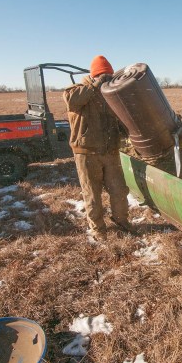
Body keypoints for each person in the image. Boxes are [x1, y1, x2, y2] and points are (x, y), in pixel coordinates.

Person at [63, 55, 134, 238]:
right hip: (87, 153)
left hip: (110, 151)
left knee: (119, 191)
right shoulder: (76, 90)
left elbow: (118, 119)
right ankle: (98, 230)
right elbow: (72, 100)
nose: (107, 80)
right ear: (95, 75)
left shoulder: (108, 93)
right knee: (92, 195)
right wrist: (95, 85)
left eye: (109, 76)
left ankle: (121, 220)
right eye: (104, 76)